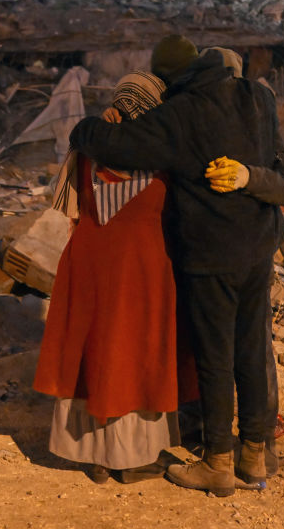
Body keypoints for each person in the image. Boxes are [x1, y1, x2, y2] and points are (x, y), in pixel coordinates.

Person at [70, 46, 284, 497]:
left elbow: (117, 146)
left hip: (211, 255)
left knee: (216, 358)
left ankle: (217, 463)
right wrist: (250, 177)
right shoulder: (259, 97)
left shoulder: (180, 112)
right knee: (251, 351)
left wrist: (85, 127)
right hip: (258, 248)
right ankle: (254, 455)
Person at [35, 63, 199, 485]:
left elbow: (70, 208)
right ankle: (132, 457)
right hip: (145, 266)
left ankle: (95, 457)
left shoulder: (89, 145)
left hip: (90, 260)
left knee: (94, 351)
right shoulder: (164, 155)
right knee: (133, 355)